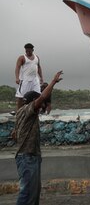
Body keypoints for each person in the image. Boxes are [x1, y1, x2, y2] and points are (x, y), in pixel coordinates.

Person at [13, 71, 63, 205]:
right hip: (27, 157)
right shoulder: (29, 109)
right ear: (33, 102)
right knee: (28, 193)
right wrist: (53, 82)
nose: (42, 105)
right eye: (39, 103)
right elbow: (42, 97)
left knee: (33, 193)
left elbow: (15, 133)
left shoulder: (20, 113)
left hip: (28, 156)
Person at [15, 43, 44, 111]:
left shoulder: (36, 57)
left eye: (29, 51)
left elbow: (39, 67)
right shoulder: (22, 57)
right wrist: (17, 78)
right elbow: (17, 67)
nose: (27, 52)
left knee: (37, 95)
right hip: (25, 80)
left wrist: (41, 77)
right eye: (26, 51)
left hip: (35, 80)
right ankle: (19, 112)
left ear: (32, 50)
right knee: (21, 97)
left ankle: (34, 110)